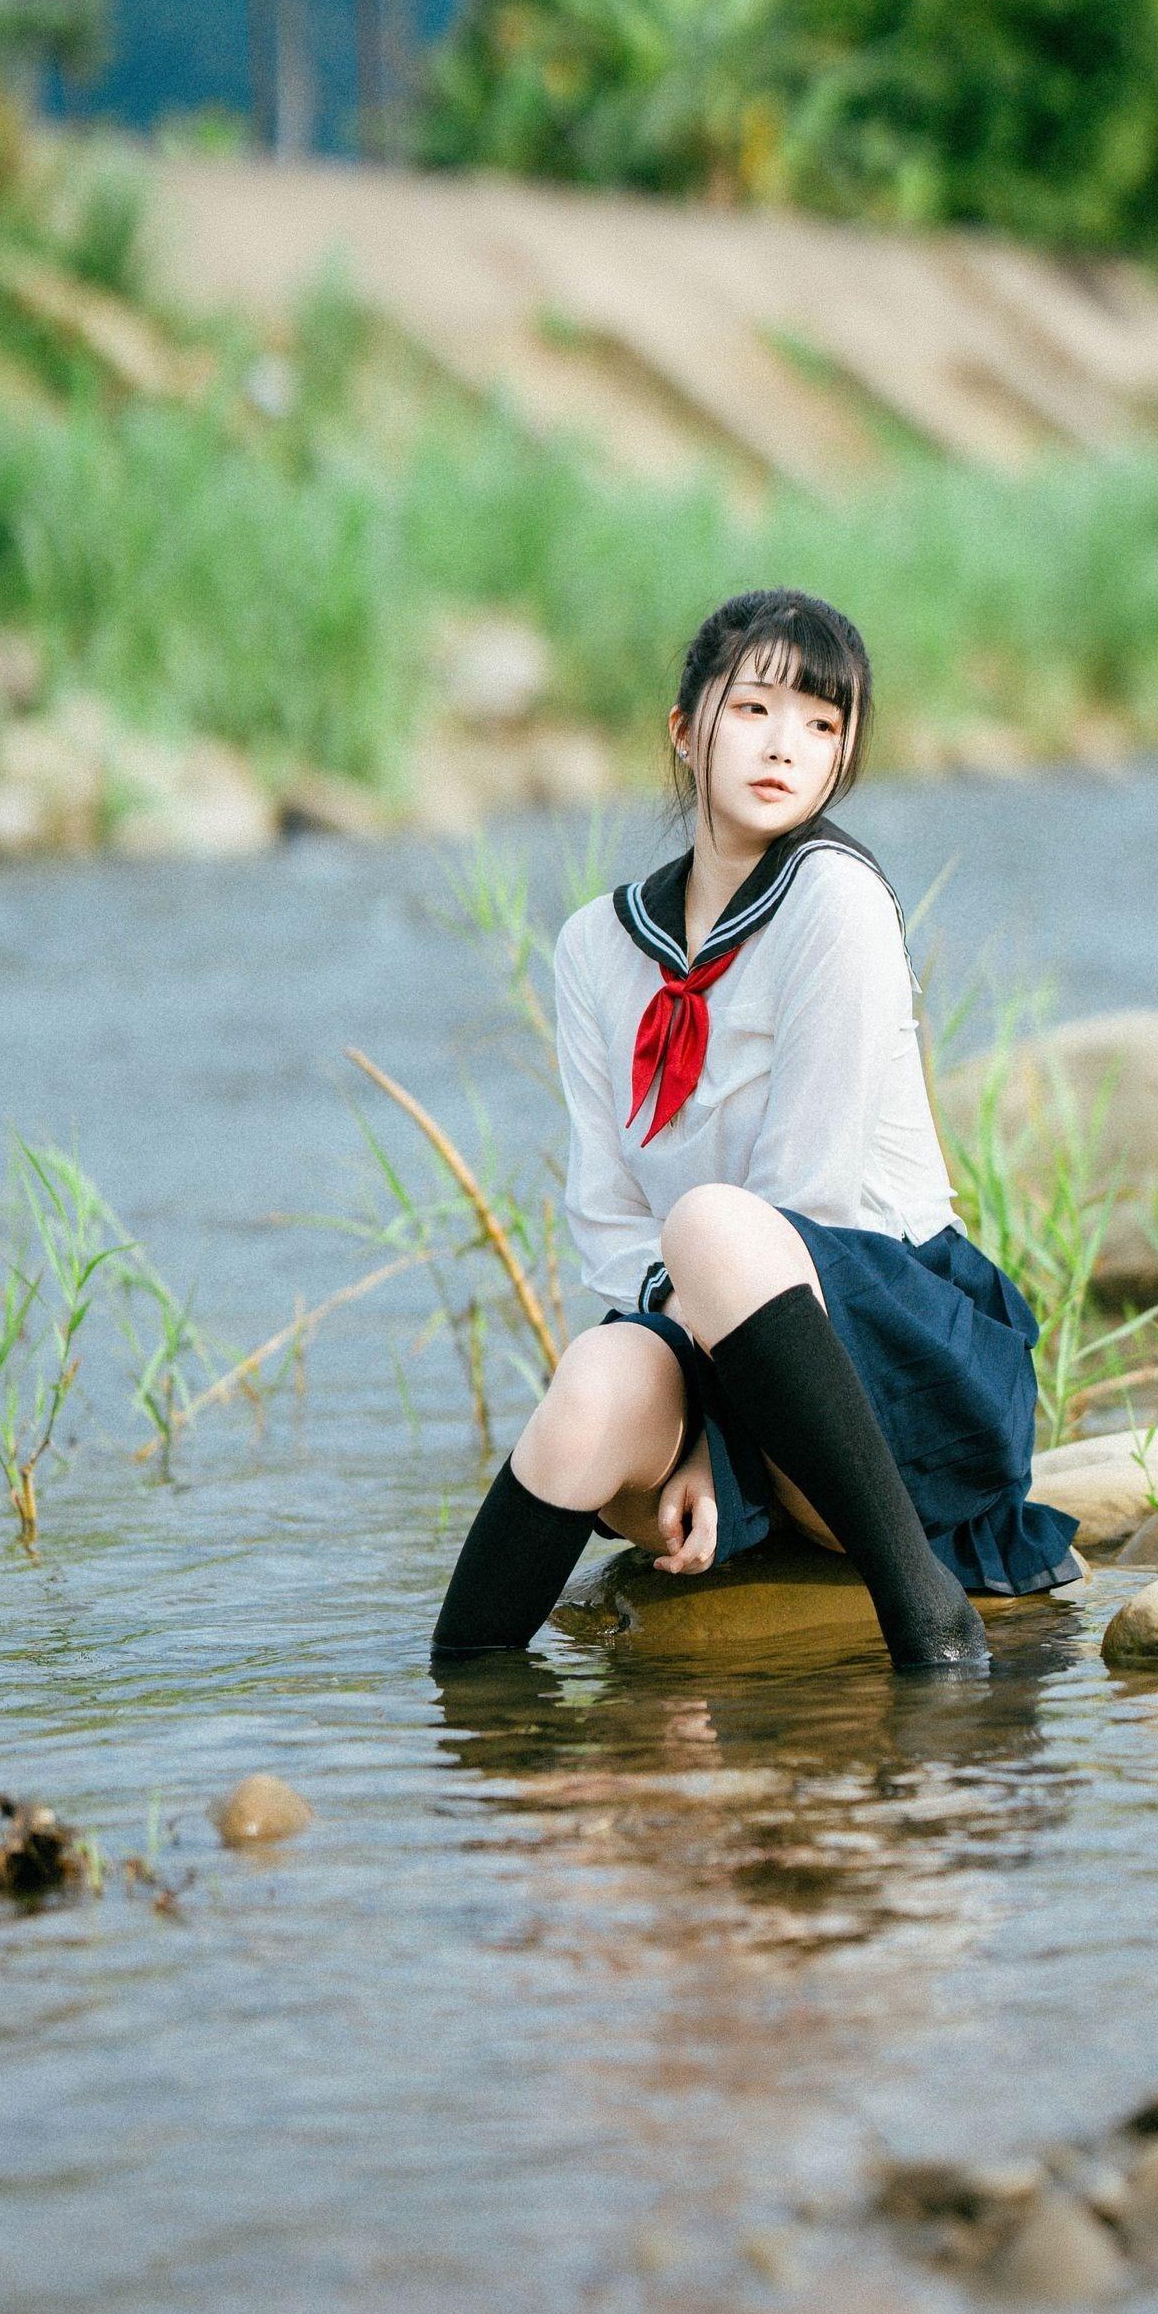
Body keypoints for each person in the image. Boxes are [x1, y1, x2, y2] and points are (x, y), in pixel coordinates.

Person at [431, 586, 1077, 1675]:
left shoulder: (834, 898)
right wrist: (681, 1428)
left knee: (716, 1223)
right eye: (756, 711)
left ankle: (928, 1616)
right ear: (684, 733)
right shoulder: (595, 948)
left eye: (823, 725)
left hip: (902, 1368)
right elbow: (603, 1219)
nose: (787, 747)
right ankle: (467, 1708)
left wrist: (709, 1438)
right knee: (590, 1385)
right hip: (738, 1371)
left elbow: (806, 1201)